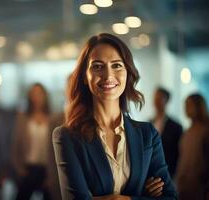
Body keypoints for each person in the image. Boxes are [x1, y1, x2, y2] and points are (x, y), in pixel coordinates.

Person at [52, 33, 177, 200]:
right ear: (84, 76)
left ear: (128, 72)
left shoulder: (147, 134)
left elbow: (170, 197)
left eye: (117, 65)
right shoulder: (67, 137)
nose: (108, 75)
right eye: (97, 66)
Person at [12, 83, 52, 200]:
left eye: (39, 94)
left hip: (47, 169)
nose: (36, 97)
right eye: (33, 94)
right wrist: (20, 170)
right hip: (28, 168)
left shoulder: (53, 119)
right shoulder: (22, 118)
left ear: (45, 96)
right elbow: (15, 147)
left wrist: (53, 175)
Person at [176, 93, 209, 200]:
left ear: (198, 107)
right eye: (185, 105)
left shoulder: (205, 131)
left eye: (189, 105)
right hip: (184, 187)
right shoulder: (187, 132)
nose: (186, 108)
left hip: (199, 189)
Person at [151, 87, 183, 178]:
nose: (156, 101)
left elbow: (179, 153)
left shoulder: (176, 126)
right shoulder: (148, 124)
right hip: (150, 173)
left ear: (167, 100)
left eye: (160, 98)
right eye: (155, 98)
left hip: (170, 173)